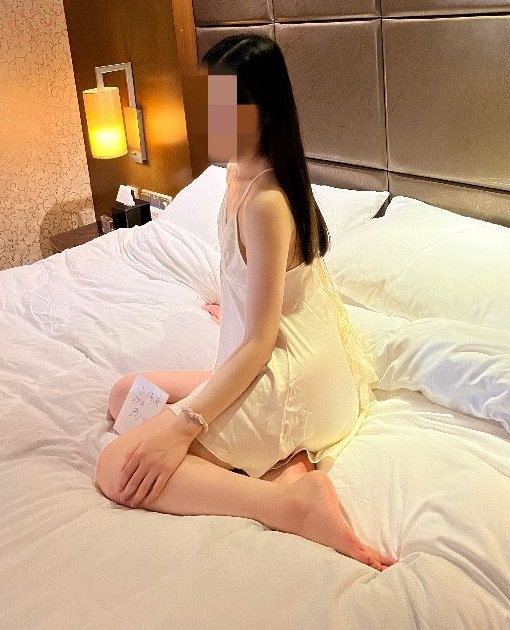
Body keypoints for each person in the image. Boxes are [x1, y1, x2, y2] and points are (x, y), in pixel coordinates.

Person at [94, 34, 397, 571]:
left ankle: (288, 503)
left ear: (265, 111)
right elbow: (265, 289)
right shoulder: (237, 174)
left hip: (285, 376)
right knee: (125, 395)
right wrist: (232, 312)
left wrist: (181, 427)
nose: (213, 116)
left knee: (116, 466)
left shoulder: (267, 202)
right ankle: (285, 465)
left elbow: (260, 342)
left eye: (228, 103)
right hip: (263, 354)